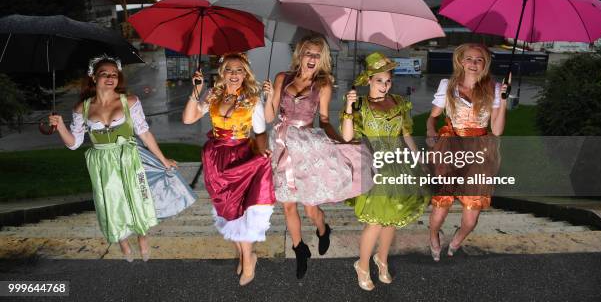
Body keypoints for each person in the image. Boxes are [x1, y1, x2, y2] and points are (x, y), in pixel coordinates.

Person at [263, 35, 372, 279]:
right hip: (281, 145)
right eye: (308, 53)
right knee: (288, 205)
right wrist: (269, 96)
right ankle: (299, 249)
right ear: (300, 54)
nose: (312, 58)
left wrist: (340, 142)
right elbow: (270, 117)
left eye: (317, 54)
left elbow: (323, 120)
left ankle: (323, 229)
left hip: (305, 148)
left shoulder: (322, 85)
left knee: (311, 208)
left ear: (322, 59)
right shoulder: (283, 77)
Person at [49, 55, 176, 261]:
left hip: (129, 158)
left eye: (114, 74)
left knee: (137, 197)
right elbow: (74, 144)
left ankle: (142, 236)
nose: (110, 78)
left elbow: (144, 133)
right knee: (110, 200)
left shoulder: (130, 101)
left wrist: (163, 160)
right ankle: (122, 242)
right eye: (104, 74)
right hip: (102, 162)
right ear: (93, 77)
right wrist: (60, 125)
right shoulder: (82, 108)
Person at [182, 53, 275, 286]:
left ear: (246, 74)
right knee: (227, 212)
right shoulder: (213, 95)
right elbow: (188, 118)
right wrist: (197, 89)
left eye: (239, 70)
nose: (234, 75)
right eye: (230, 70)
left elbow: (261, 133)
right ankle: (246, 254)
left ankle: (247, 260)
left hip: (241, 160)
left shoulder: (253, 100)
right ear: (222, 72)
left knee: (239, 212)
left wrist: (261, 154)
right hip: (216, 161)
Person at [342, 52, 430, 291]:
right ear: (368, 80)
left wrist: (418, 159)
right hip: (375, 166)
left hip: (399, 163)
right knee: (376, 221)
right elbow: (348, 136)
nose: (384, 85)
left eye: (388, 80)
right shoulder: (359, 104)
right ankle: (362, 265)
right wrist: (349, 107)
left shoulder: (399, 102)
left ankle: (382, 259)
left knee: (393, 218)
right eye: (379, 80)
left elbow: (406, 134)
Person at [426, 43, 508, 261]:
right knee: (440, 209)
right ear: (460, 61)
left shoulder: (494, 89)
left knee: (471, 219)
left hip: (479, 152)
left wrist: (504, 100)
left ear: (485, 63)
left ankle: (457, 239)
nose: (473, 63)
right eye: (469, 58)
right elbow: (432, 116)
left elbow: (497, 131)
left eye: (479, 59)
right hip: (451, 148)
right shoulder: (448, 85)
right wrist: (431, 131)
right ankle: (433, 234)